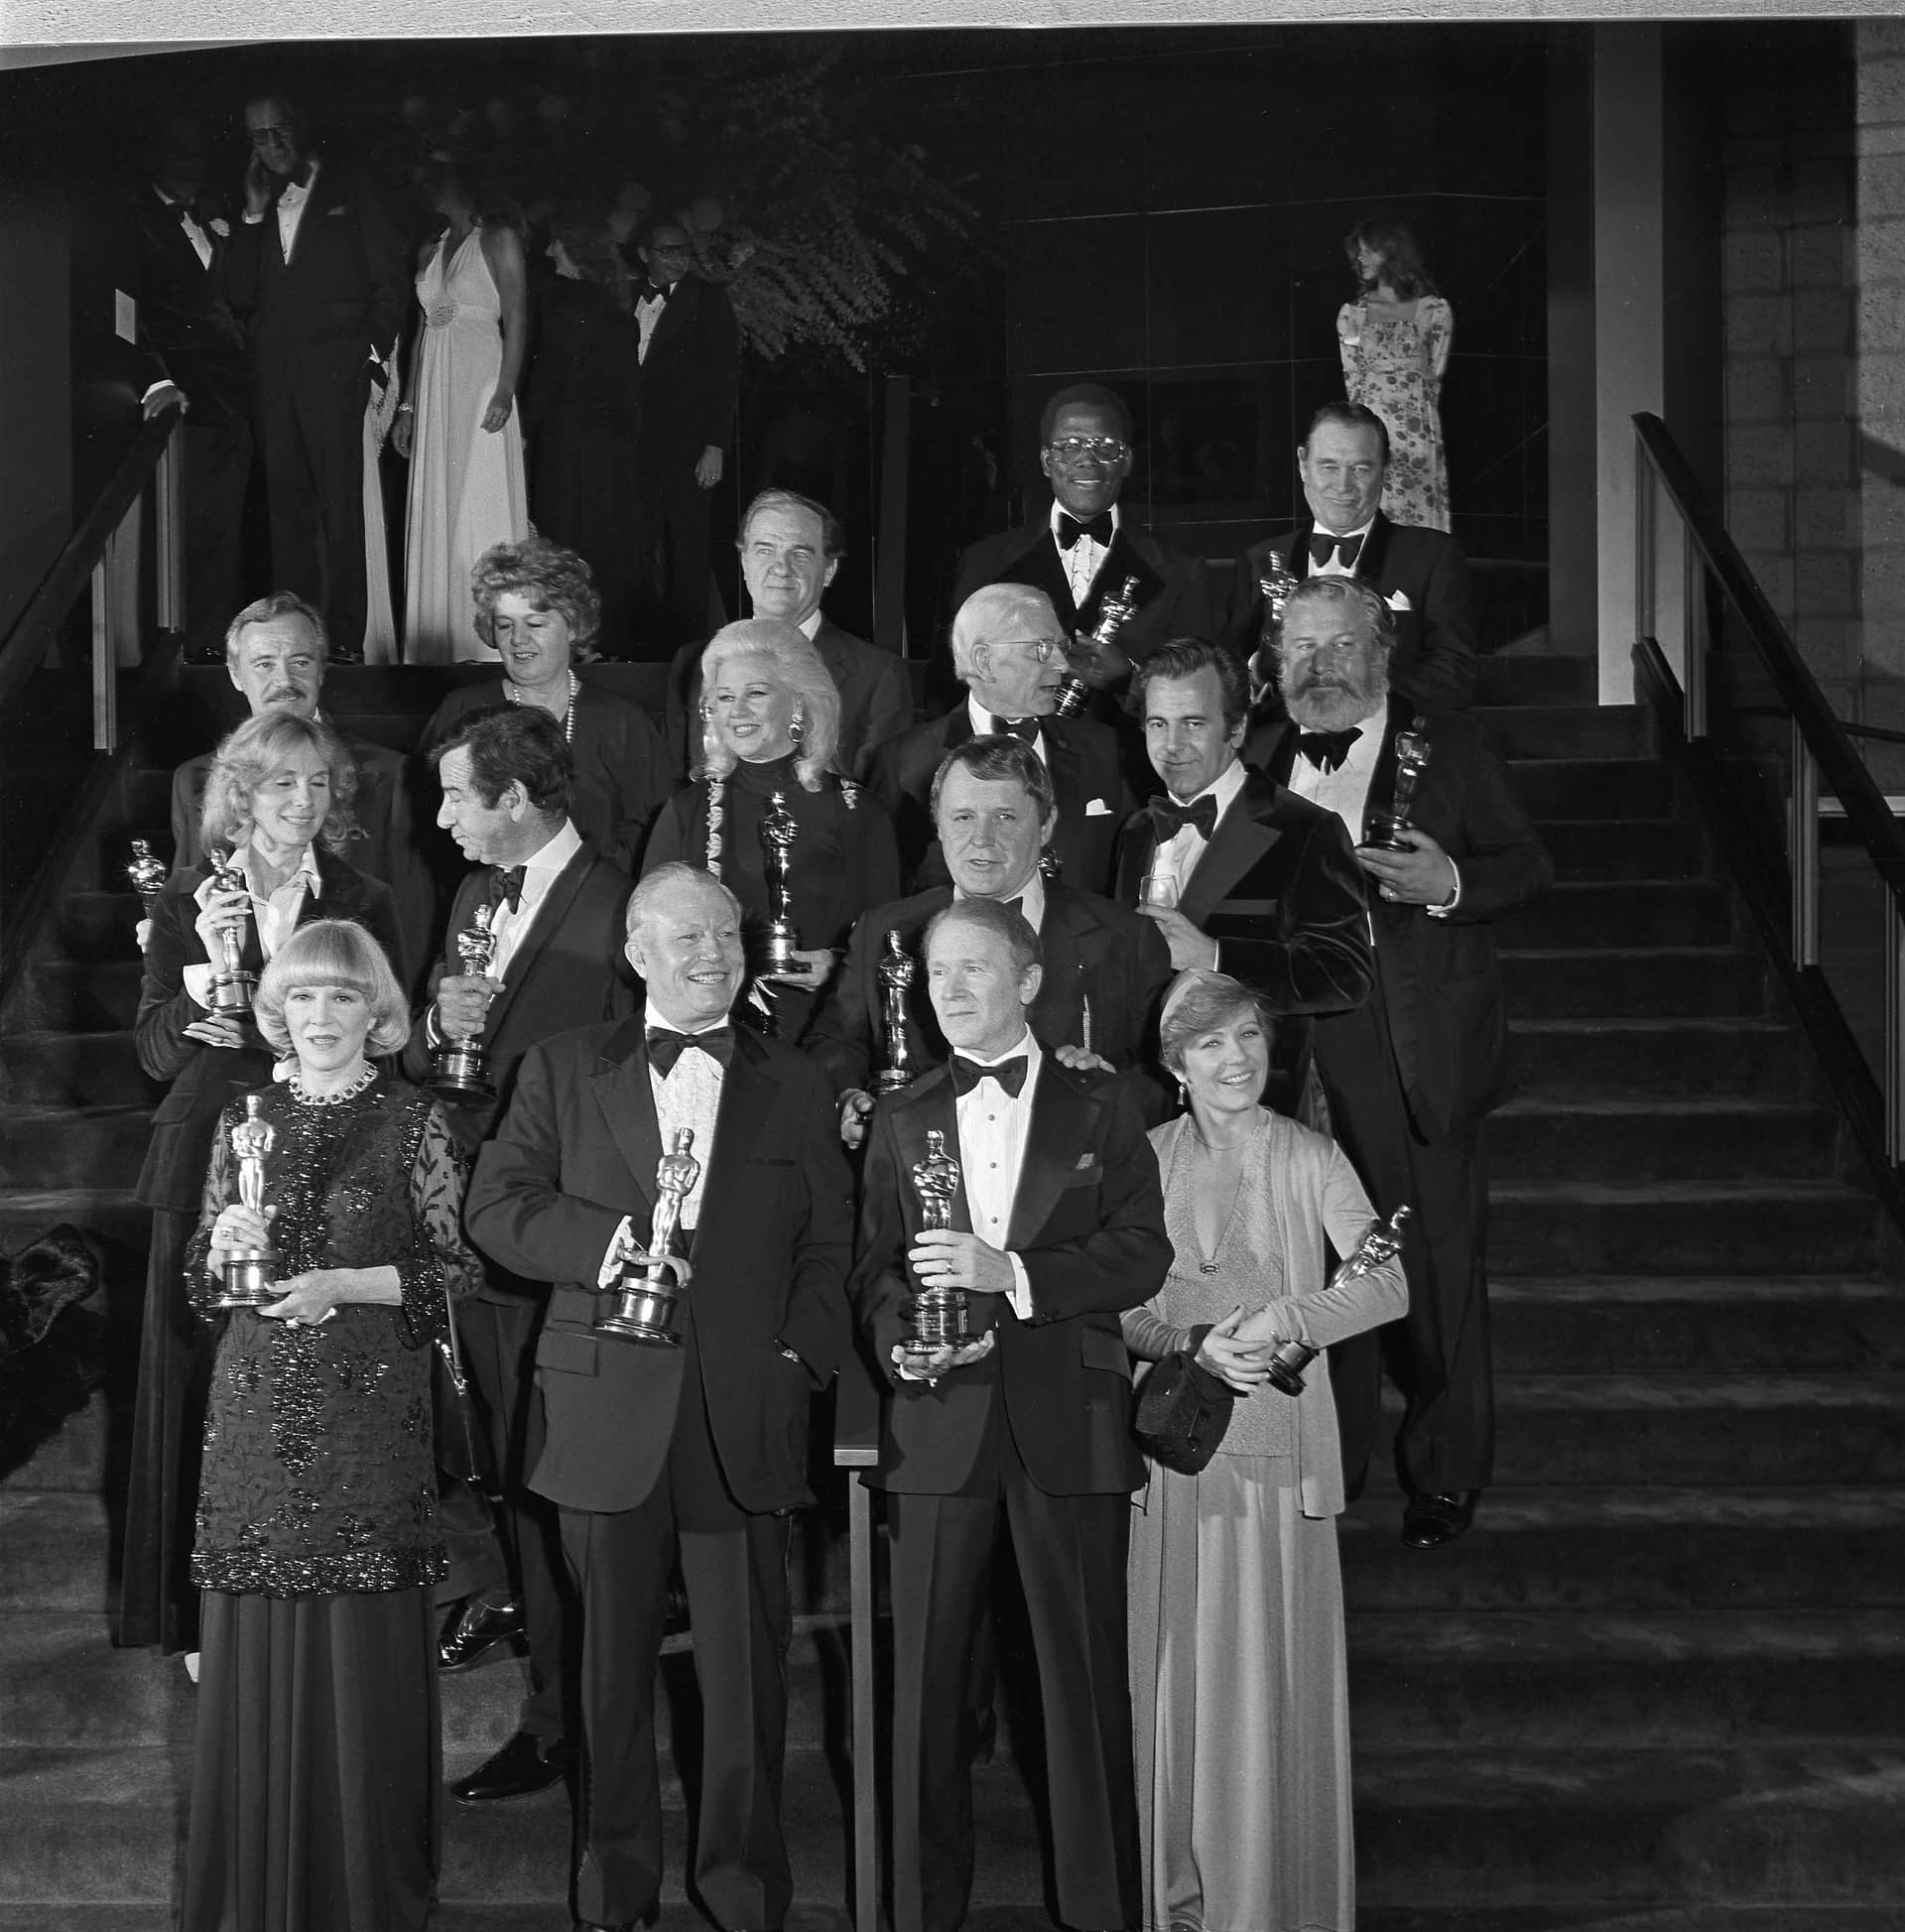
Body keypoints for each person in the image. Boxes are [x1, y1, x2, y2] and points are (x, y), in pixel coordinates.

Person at [464, 864, 852, 1932]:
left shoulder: (799, 1080)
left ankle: (744, 1894)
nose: (712, 955)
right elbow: (495, 1209)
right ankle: (612, 1893)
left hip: (743, 1419)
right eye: (686, 939)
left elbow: (833, 1245)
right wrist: (609, 1246)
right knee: (608, 1678)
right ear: (636, 953)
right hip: (601, 1414)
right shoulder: (557, 1068)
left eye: (726, 936)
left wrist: (794, 1360)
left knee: (747, 1686)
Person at [850, 895, 1171, 1932]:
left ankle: (1101, 1913)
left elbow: (1142, 1252)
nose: (950, 992)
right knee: (926, 1695)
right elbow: (871, 1273)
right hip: (937, 1424)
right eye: (937, 973)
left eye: (973, 970)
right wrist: (902, 1337)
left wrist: (1016, 1276)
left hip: (1068, 1424)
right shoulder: (900, 1117)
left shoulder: (1104, 1105)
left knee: (1082, 1695)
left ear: (1029, 982)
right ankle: (916, 1913)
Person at [179, 919, 482, 1932]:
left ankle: (365, 1896)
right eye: (302, 997)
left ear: (377, 1013)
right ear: (277, 1010)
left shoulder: (415, 1120)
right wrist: (222, 1244)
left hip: (368, 1422)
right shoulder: (242, 1120)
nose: (320, 1016)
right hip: (254, 1419)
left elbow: (459, 1275)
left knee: (361, 1665)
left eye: (343, 997)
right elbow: (198, 1285)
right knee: (254, 1655)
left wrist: (343, 1285)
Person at [1257, 576, 1553, 1546]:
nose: (1319, 667)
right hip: (1290, 1045)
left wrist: (1449, 882)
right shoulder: (1255, 753)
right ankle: (1326, 1467)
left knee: (1432, 1265)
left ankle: (1445, 1470)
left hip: (1411, 1040)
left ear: (1382, 656)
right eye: (1300, 648)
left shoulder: (1454, 746)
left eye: (1339, 648)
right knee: (1313, 1261)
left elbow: (1528, 867)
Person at [1124, 967, 1407, 1932]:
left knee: (1260, 1707)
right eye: (1210, 1044)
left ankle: (1266, 1910)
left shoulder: (1311, 1157)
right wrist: (1185, 1343)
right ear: (1177, 1066)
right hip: (1171, 1465)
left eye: (1248, 1037)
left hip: (1276, 1470)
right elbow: (1120, 1305)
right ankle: (1184, 1910)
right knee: (1174, 1699)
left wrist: (1293, 1313)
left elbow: (1387, 1284)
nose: (1236, 1058)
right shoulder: (1147, 1156)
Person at [121, 712, 404, 1654]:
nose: (303, 802)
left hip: (325, 1158)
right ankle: (200, 1618)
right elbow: (156, 1049)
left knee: (305, 1378)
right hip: (204, 1150)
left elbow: (383, 1035)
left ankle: (306, 1599)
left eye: (319, 785)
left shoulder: (366, 894)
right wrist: (202, 992)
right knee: (199, 1382)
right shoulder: (190, 895)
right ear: (241, 792)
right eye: (283, 784)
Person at [404, 701, 638, 1806]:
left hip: (576, 1250)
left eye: (458, 797)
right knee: (516, 1496)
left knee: (574, 1500)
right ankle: (558, 1718)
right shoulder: (473, 893)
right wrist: (442, 1027)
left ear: (514, 799)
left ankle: (594, 1724)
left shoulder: (623, 900)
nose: (442, 818)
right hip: (480, 1250)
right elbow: (445, 1062)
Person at [809, 733, 1173, 1146]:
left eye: (1004, 817)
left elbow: (1169, 1082)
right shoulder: (883, 932)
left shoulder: (1127, 937)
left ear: (1047, 823)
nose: (981, 838)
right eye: (963, 817)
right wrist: (845, 1099)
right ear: (939, 826)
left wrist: (1111, 1092)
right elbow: (833, 1046)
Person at [1112, 638, 1374, 1117]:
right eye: (1157, 724)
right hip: (1149, 1111)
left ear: (1236, 730)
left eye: (1193, 723)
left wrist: (1215, 957)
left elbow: (1346, 976)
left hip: (1256, 1107)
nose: (1172, 747)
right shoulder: (1135, 832)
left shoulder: (1305, 829)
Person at [643, 617, 901, 1043]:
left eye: (756, 693)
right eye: (724, 697)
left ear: (799, 704)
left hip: (830, 1032)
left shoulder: (858, 810)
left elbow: (890, 940)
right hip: (715, 1032)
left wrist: (840, 965)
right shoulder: (685, 811)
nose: (737, 711)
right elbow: (650, 941)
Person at [224, 88, 407, 663]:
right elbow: (239, 293)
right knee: (287, 511)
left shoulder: (353, 188)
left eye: (279, 130)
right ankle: (295, 641)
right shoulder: (257, 202)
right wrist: (253, 214)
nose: (272, 145)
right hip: (275, 376)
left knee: (339, 507)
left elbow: (390, 281)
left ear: (299, 126)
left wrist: (368, 353)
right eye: (259, 136)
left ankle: (346, 638)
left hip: (336, 371)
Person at [168, 592, 433, 982]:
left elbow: (409, 916)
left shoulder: (388, 775)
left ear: (322, 670)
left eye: (300, 662)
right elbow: (184, 908)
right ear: (236, 674)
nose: (284, 681)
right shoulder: (194, 781)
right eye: (264, 664)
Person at [948, 382, 1217, 708]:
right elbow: (951, 686)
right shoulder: (984, 563)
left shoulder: (1182, 573)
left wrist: (1129, 677)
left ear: (1127, 460)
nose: (1087, 460)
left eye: (1105, 446)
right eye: (1069, 445)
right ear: (1047, 461)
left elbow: (1200, 694)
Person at [419, 539, 673, 869]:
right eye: (505, 625)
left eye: (535, 624)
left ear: (573, 626)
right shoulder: (462, 712)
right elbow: (428, 837)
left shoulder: (623, 722)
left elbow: (655, 842)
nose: (518, 639)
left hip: (599, 906)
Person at [868, 582, 1131, 894]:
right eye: (1043, 649)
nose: (1062, 665)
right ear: (983, 660)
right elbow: (882, 892)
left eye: (1062, 648)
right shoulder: (904, 763)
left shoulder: (1102, 749)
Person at [1224, 402, 1477, 713]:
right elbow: (1227, 674)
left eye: (1360, 469)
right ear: (1303, 464)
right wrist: (1259, 670)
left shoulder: (1433, 555)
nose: (1343, 486)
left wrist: (1354, 686)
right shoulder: (1259, 559)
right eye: (1329, 466)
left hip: (1390, 748)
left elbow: (1456, 677)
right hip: (1284, 753)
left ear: (1384, 470)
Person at [663, 489, 913, 781]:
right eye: (765, 550)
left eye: (800, 554)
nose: (781, 568)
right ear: (744, 562)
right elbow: (678, 785)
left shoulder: (878, 675)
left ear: (829, 570)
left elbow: (880, 806)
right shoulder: (694, 662)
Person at [125, 113, 251, 664]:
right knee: (177, 533)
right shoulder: (133, 221)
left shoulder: (210, 218)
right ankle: (169, 652)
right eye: (180, 153)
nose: (191, 166)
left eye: (198, 155)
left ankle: (208, 648)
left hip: (233, 400)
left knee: (223, 531)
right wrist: (158, 379)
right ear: (157, 158)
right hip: (182, 402)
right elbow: (129, 310)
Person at [395, 161, 531, 663]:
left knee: (480, 498)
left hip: (481, 380)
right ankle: (439, 639)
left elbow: (516, 315)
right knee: (440, 500)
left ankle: (490, 643)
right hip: (434, 386)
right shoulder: (430, 248)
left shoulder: (497, 239)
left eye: (439, 177)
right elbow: (422, 332)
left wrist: (505, 390)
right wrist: (407, 406)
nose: (430, 186)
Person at [523, 206, 646, 657]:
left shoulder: (563, 301)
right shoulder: (613, 307)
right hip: (607, 447)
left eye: (556, 242)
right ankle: (596, 638)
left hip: (566, 440)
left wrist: (525, 430)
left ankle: (570, 640)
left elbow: (547, 373)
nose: (549, 250)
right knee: (599, 540)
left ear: (573, 248)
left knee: (561, 539)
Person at [631, 219, 741, 651]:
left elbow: (723, 377)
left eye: (683, 250)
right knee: (639, 545)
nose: (677, 258)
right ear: (645, 254)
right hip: (636, 447)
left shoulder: (707, 299)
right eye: (666, 250)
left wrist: (715, 445)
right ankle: (642, 645)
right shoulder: (626, 295)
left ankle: (688, 650)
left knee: (688, 549)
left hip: (688, 447)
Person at [1337, 217, 1454, 533]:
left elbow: (1434, 376)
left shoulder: (1434, 311)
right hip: (1374, 434)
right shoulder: (1353, 314)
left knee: (1418, 520)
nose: (1360, 260)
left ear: (1388, 251)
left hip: (1418, 434)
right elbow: (1353, 380)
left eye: (1366, 252)